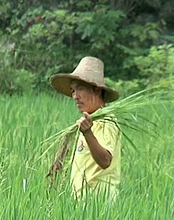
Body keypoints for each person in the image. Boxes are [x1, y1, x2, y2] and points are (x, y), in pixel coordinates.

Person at [49, 56, 121, 200]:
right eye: (73, 91)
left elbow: (105, 160)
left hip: (99, 201)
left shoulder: (106, 121)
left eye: (80, 89)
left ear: (97, 91)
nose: (75, 96)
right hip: (83, 202)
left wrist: (87, 133)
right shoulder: (90, 121)